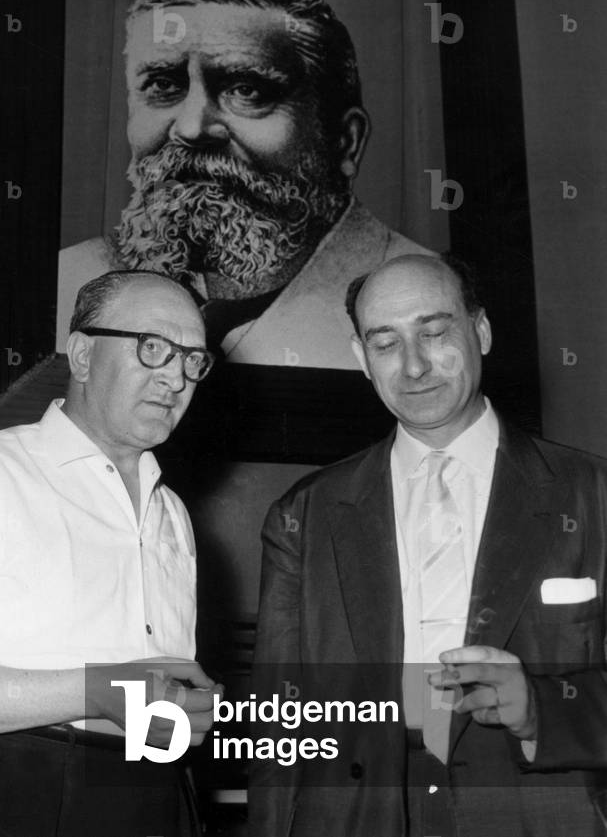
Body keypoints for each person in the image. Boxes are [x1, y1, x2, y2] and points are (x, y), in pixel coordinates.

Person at [249, 253, 607, 836]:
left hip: (537, 807)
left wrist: (542, 708)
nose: (414, 367)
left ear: (481, 332)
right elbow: (279, 722)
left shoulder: (593, 495)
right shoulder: (305, 513)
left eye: (436, 333)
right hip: (358, 810)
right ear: (361, 358)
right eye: (385, 344)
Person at [0, 270, 222, 836]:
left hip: (155, 791)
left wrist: (185, 707)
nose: (176, 378)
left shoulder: (173, 512)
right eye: (153, 347)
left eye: (193, 359)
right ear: (82, 355)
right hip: (11, 792)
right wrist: (98, 691)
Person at [57, 0, 431, 368]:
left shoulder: (429, 296)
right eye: (163, 85)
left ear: (345, 142)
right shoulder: (68, 283)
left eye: (246, 90)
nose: (191, 127)